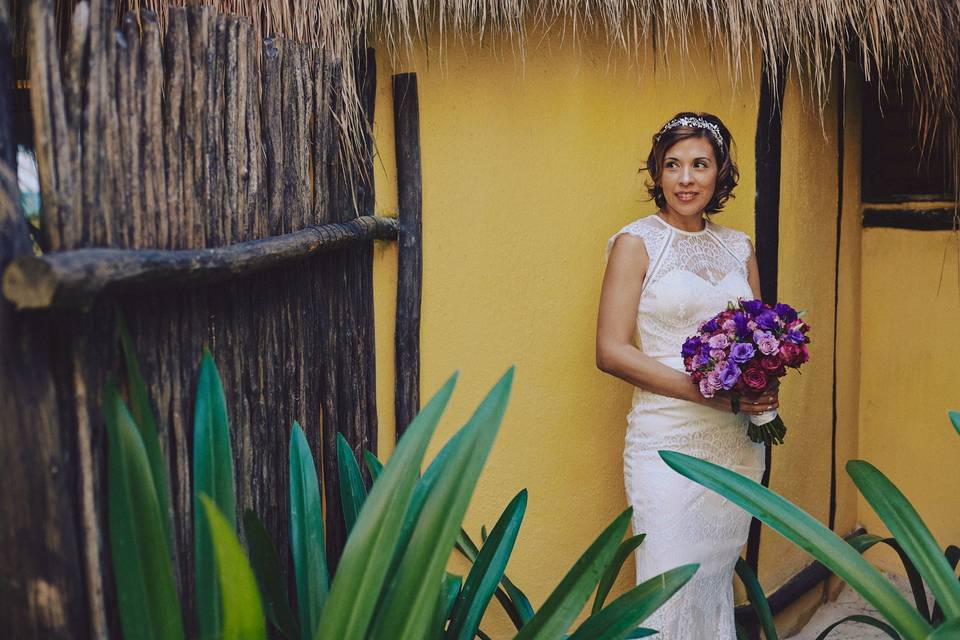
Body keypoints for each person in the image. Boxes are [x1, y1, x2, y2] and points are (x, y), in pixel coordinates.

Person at [596, 112, 778, 637]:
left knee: (713, 576)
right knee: (667, 580)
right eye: (672, 165)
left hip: (736, 443)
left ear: (720, 173)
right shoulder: (637, 243)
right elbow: (610, 351)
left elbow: (757, 334)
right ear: (657, 173)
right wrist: (707, 394)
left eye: (700, 164)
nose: (686, 178)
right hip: (667, 439)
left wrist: (764, 384)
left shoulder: (739, 246)